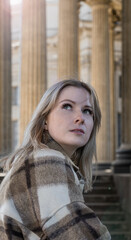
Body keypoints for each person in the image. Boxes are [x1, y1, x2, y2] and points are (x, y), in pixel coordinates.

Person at [0, 79, 111, 240]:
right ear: (45, 120)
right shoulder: (45, 162)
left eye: (87, 111)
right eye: (67, 106)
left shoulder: (35, 159)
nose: (80, 117)